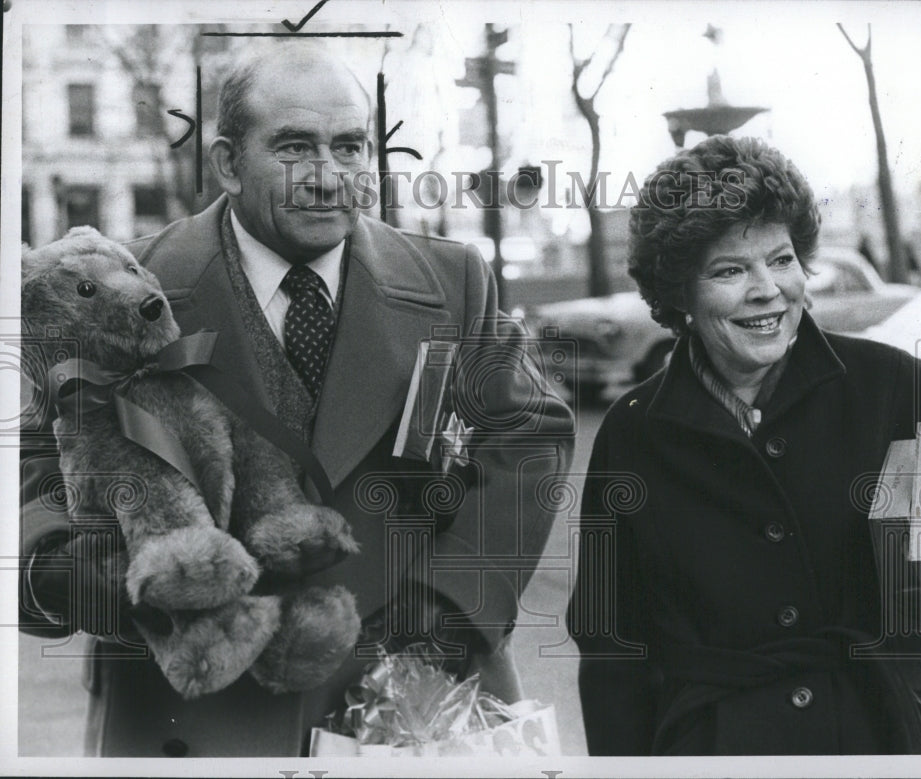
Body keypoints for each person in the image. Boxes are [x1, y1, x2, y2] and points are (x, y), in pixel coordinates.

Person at [20, 42, 574, 756]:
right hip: (194, 710)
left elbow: (530, 434)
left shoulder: (452, 280)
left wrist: (450, 609)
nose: (328, 177)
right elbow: (31, 464)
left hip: (412, 708)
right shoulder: (122, 288)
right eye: (293, 147)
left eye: (349, 147)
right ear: (227, 162)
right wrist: (77, 575)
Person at [567, 135, 921, 755]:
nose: (768, 290)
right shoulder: (632, 431)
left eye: (781, 260)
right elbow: (611, 651)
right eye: (730, 270)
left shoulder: (899, 392)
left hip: (881, 737)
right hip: (710, 751)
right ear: (679, 294)